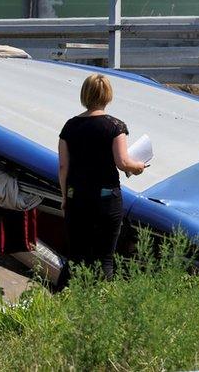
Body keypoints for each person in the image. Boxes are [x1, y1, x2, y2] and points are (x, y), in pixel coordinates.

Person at [58, 73, 146, 280]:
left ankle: (63, 298)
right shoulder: (115, 126)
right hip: (105, 198)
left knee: (76, 256)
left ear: (84, 95)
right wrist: (138, 166)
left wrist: (64, 197)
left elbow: (63, 166)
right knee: (104, 257)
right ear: (108, 96)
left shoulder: (69, 126)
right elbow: (123, 162)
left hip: (76, 197)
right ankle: (102, 300)